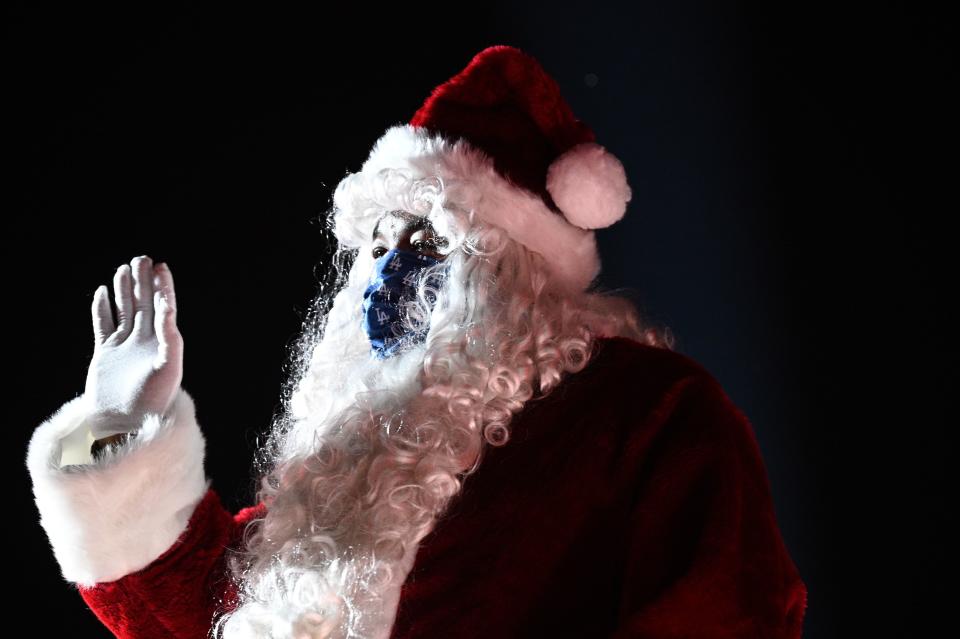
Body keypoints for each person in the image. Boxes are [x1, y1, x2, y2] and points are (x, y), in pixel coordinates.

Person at [25, 45, 808, 638]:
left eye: (431, 240)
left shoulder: (647, 416)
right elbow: (202, 615)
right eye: (378, 239)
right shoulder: (348, 479)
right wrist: (120, 428)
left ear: (518, 277)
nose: (388, 272)